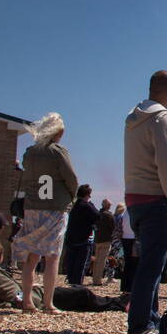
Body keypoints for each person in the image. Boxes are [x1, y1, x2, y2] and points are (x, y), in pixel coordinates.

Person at [123, 70, 167, 334]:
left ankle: (150, 315)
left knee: (148, 260)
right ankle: (140, 324)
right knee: (152, 265)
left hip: (134, 197)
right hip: (155, 197)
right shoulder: (161, 118)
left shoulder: (133, 119)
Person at [17, 113, 79, 313]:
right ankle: (48, 303)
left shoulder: (30, 152)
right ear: (58, 132)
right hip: (55, 206)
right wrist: (72, 197)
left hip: (33, 205)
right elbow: (71, 178)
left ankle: (27, 301)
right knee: (52, 256)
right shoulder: (58, 152)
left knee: (31, 256)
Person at [62, 184, 99, 286]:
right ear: (87, 195)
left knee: (71, 263)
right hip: (83, 240)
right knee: (81, 265)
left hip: (71, 239)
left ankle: (71, 282)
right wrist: (90, 203)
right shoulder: (87, 206)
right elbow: (97, 215)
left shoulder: (73, 205)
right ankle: (77, 285)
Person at [92, 198, 116, 286]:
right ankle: (97, 281)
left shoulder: (97, 214)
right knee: (102, 260)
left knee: (97, 260)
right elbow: (113, 227)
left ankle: (95, 278)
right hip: (106, 240)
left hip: (98, 239)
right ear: (108, 206)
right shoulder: (109, 215)